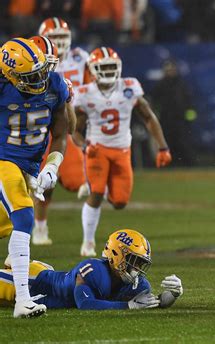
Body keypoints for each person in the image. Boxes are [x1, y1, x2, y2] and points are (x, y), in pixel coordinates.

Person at [74, 47, 172, 257]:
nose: (108, 71)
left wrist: (162, 146)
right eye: (104, 67)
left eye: (112, 67)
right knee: (97, 193)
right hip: (97, 149)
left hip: (122, 150)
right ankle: (88, 242)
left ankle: (101, 187)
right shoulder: (85, 94)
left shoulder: (129, 87)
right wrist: (84, 146)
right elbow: (74, 128)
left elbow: (148, 117)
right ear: (93, 70)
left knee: (120, 202)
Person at [0, 38, 70, 317]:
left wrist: (52, 166)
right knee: (24, 217)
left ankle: (12, 268)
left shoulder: (55, 84)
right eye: (31, 77)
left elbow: (63, 134)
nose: (40, 80)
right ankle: (23, 301)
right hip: (4, 160)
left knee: (8, 228)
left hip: (29, 166)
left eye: (41, 71)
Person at [0, 229, 183, 310]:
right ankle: (19, 263)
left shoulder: (137, 284)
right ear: (116, 255)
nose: (137, 269)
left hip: (46, 278)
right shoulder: (94, 270)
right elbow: (85, 304)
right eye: (133, 261)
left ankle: (19, 261)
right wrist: (127, 306)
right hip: (34, 282)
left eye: (141, 263)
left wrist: (172, 295)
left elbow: (154, 303)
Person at [32, 17, 90, 245]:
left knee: (71, 179)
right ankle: (38, 227)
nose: (59, 42)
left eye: (62, 37)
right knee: (42, 184)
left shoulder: (81, 59)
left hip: (65, 123)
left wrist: (77, 127)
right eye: (54, 37)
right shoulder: (32, 57)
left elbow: (89, 97)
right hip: (37, 125)